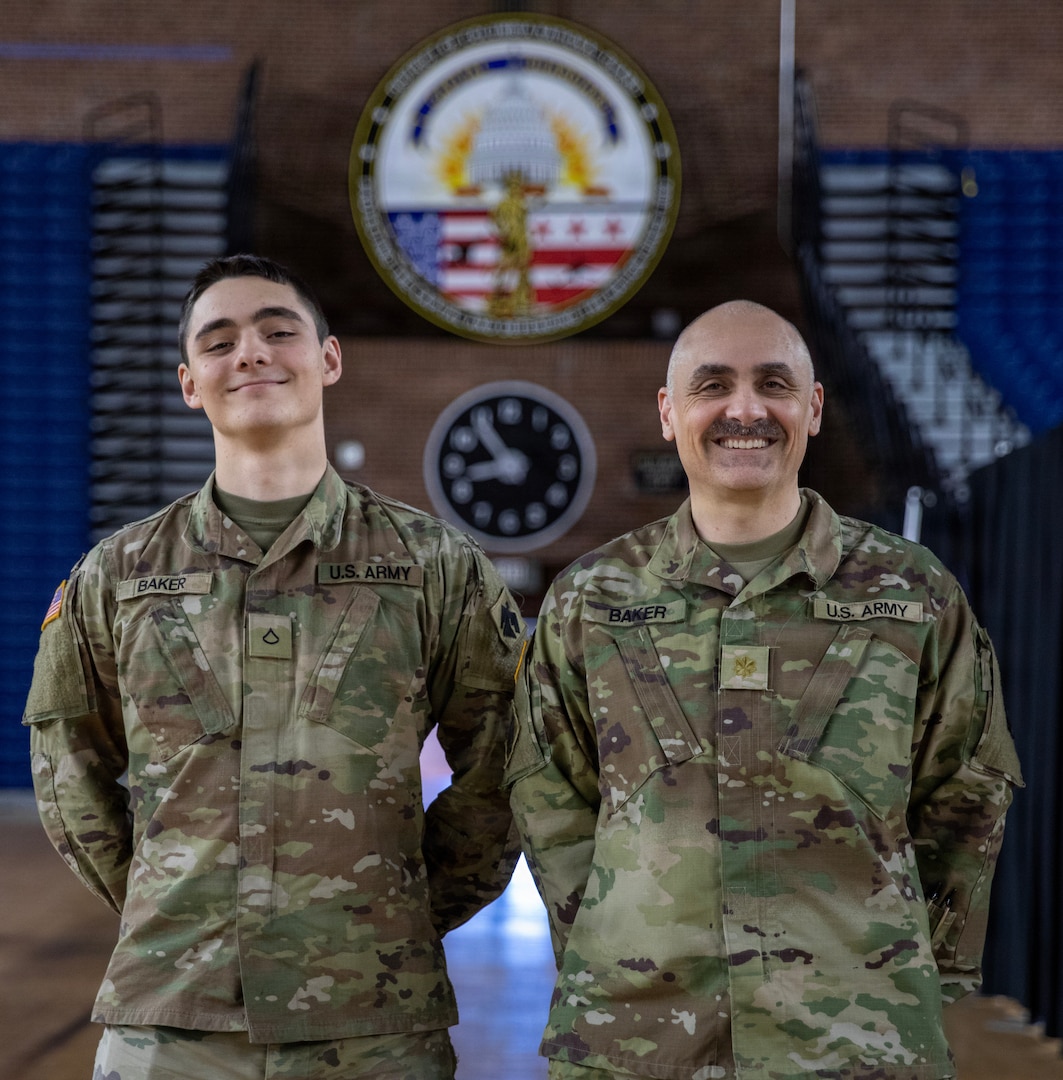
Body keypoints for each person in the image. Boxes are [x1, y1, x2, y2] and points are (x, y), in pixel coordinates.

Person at [24, 254, 527, 1080]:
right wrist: (175, 904)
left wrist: (388, 915)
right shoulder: (116, 576)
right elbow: (68, 772)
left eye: (277, 331)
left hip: (373, 1026)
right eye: (219, 342)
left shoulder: (434, 565)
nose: (250, 353)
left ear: (327, 359)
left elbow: (503, 766)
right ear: (190, 383)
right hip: (171, 1024)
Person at [506, 300, 1023, 1080]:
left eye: (772, 384)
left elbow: (967, 794)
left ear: (812, 409)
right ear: (668, 411)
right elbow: (550, 799)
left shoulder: (912, 593)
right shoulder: (592, 600)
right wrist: (612, 950)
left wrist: (916, 968)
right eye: (712, 384)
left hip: (856, 1040)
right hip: (638, 1041)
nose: (743, 409)